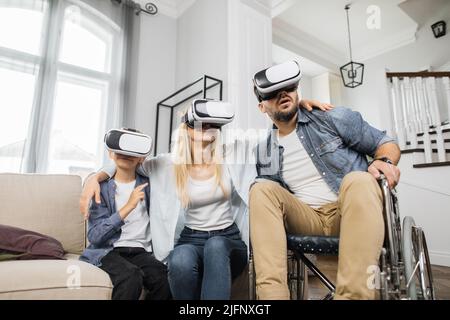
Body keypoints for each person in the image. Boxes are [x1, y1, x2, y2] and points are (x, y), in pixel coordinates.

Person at [80, 98, 331, 300]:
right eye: (201, 125)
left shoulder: (234, 154)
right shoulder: (167, 165)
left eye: (214, 125)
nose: (208, 129)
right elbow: (129, 162)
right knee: (179, 259)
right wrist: (97, 175)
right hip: (190, 237)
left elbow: (271, 138)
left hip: (229, 240)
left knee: (216, 246)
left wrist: (292, 108)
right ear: (187, 129)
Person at [250, 61, 401, 300]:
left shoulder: (331, 118)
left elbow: (385, 143)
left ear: (296, 90)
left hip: (351, 209)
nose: (282, 94)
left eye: (288, 87)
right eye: (272, 93)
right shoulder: (263, 151)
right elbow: (274, 202)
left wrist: (385, 161)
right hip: (307, 218)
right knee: (260, 190)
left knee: (359, 180)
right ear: (261, 107)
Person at [79, 128, 171, 300]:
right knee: (130, 276)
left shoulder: (151, 185)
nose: (126, 153)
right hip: (108, 252)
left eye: (133, 149)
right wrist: (128, 206)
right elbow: (95, 236)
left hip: (140, 252)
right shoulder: (101, 188)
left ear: (142, 157)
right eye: (121, 148)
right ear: (111, 153)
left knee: (165, 279)